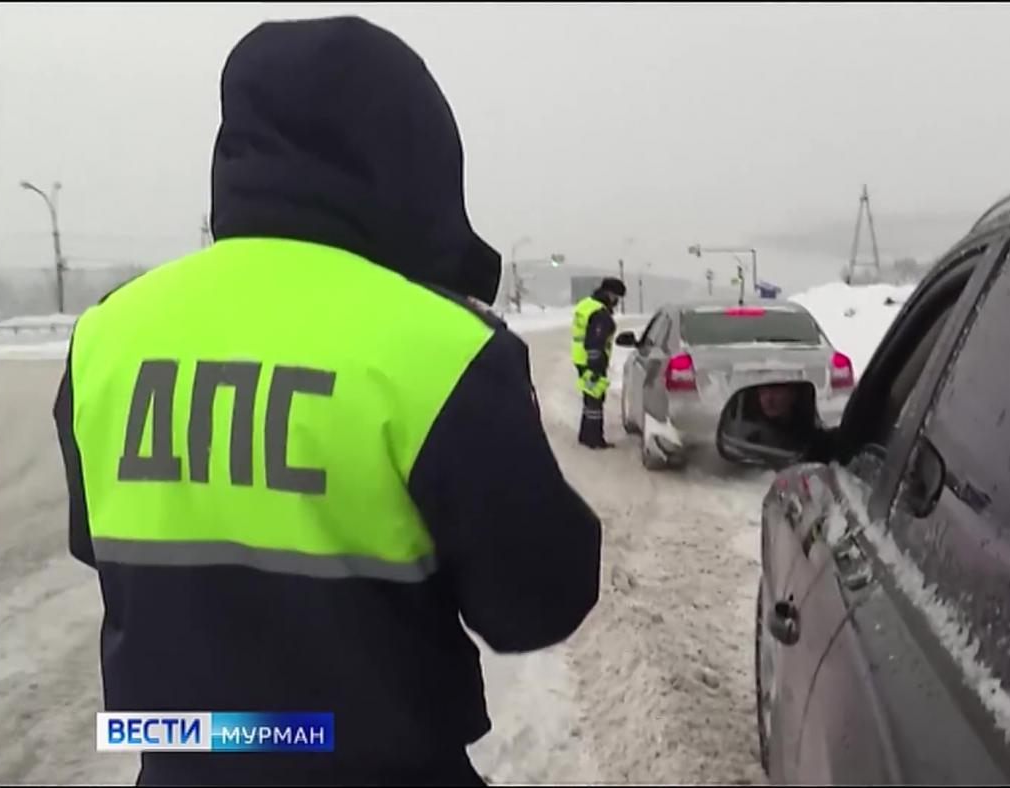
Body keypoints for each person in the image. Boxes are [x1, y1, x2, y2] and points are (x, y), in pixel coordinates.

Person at [53, 17, 601, 786]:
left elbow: (100, 545)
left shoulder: (108, 334)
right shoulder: (441, 346)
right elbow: (538, 602)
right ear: (414, 157)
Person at [571, 278, 626, 449]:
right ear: (610, 294)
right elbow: (595, 341)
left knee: (590, 397)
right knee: (595, 399)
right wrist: (596, 366)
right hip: (592, 361)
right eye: (616, 297)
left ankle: (585, 435)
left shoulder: (586, 304)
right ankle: (594, 439)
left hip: (581, 359)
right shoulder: (600, 313)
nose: (617, 301)